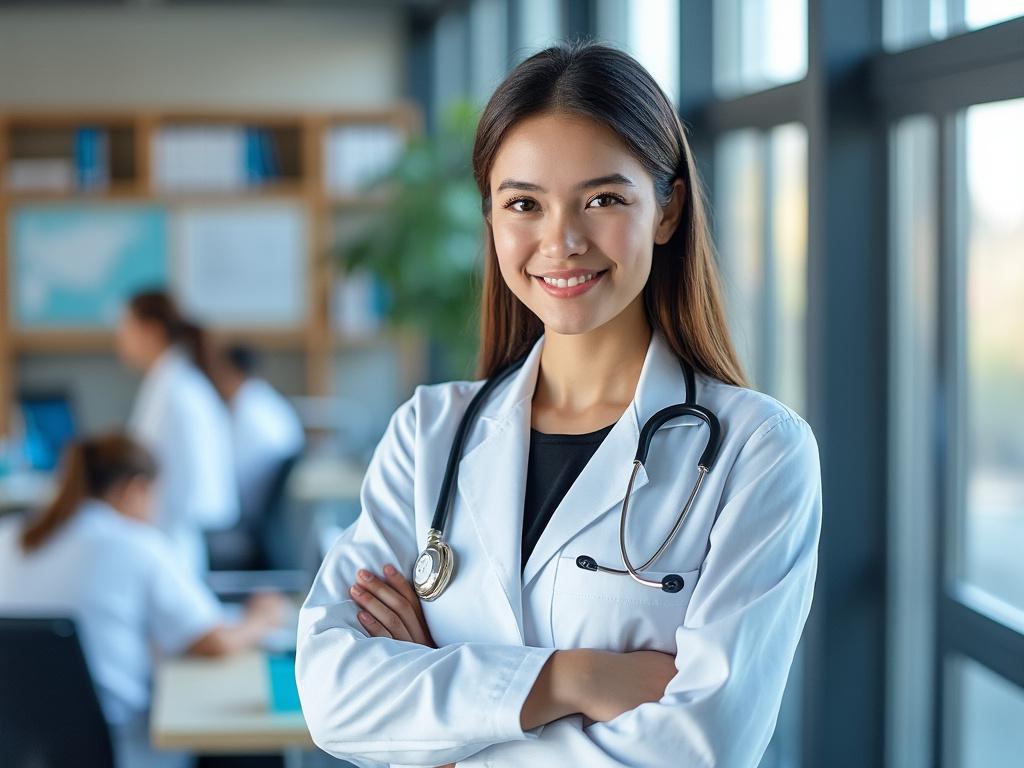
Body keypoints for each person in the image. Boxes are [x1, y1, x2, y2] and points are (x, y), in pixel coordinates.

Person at [295, 40, 822, 768]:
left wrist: (445, 739)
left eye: (603, 199)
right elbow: (332, 696)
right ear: (490, 216)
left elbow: (704, 746)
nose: (562, 241)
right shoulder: (429, 433)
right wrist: (576, 678)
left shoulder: (758, 450)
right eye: (524, 204)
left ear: (667, 210)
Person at [0, 433, 286, 768]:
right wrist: (262, 619)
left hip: (19, 749)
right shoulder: (134, 545)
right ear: (136, 488)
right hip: (121, 750)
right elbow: (214, 642)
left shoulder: (8, 537)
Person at [116, 289, 239, 575]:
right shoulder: (176, 382)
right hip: (172, 533)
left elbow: (148, 470)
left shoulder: (174, 391)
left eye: (126, 328)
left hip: (168, 534)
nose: (120, 339)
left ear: (151, 331)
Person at [212, 344, 304, 534]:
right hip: (266, 519)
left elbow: (225, 475)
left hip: (246, 517)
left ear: (228, 372)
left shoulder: (246, 414)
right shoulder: (268, 403)